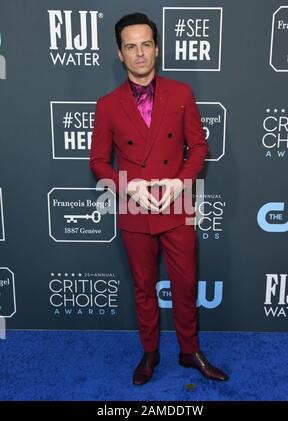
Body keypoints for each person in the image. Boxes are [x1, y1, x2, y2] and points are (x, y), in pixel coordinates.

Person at [90, 12, 228, 385]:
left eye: (146, 44)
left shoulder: (181, 93)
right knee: (143, 287)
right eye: (130, 46)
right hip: (134, 205)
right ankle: (150, 353)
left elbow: (198, 146)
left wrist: (180, 183)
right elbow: (98, 162)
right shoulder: (106, 105)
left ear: (157, 48)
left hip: (177, 203)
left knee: (185, 285)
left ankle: (189, 351)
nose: (139, 53)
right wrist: (126, 186)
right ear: (119, 54)